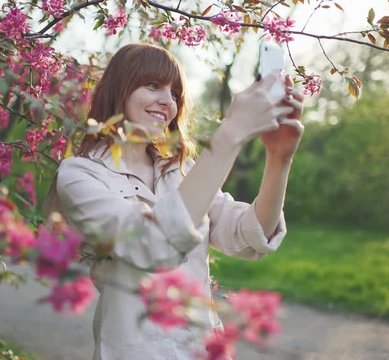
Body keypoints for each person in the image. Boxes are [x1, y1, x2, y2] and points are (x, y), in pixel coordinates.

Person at [46, 43, 304, 359]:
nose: (167, 101)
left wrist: (279, 158)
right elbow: (152, 243)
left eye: (174, 93)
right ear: (119, 90)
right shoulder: (79, 175)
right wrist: (231, 132)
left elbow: (247, 235)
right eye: (152, 85)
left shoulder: (181, 171)